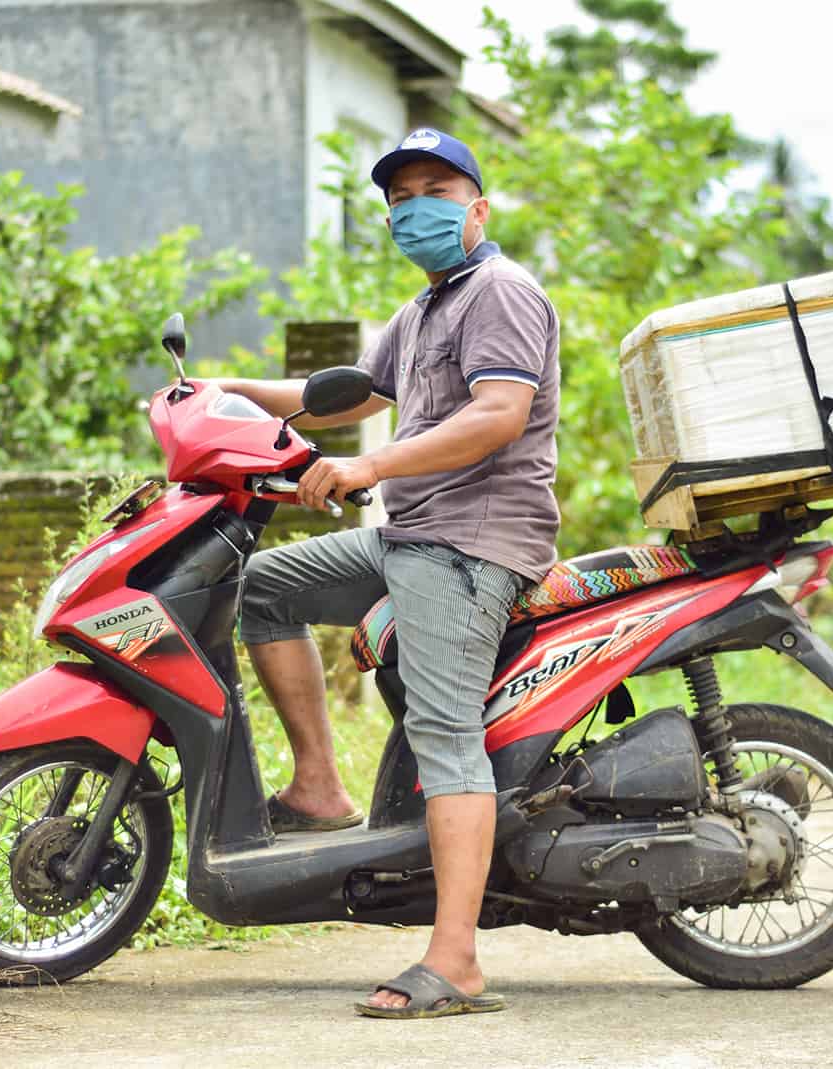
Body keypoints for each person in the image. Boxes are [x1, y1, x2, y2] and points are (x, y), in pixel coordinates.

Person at [214, 128, 561, 1019]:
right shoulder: (422, 311)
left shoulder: (502, 292)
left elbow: (497, 416)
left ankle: (456, 961)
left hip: (472, 543)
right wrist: (226, 395)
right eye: (400, 196)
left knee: (448, 735)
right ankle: (319, 787)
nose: (416, 209)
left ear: (477, 207)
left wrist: (374, 466)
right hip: (411, 535)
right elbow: (338, 397)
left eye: (436, 190)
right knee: (265, 587)